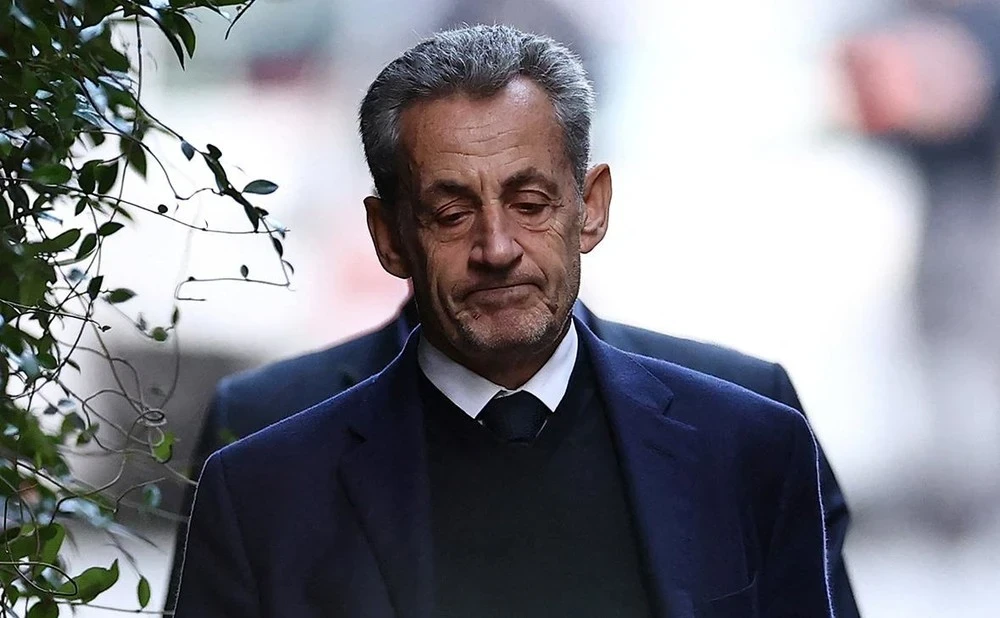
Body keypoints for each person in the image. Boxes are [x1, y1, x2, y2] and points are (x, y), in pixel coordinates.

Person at [174, 25, 833, 617]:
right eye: (452, 213)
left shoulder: (748, 447)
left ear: (591, 208)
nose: (496, 247)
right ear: (390, 237)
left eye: (530, 203)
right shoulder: (262, 491)